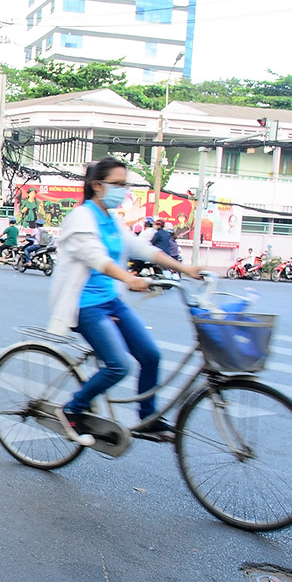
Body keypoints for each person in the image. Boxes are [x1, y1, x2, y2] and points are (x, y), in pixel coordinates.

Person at [48, 157, 202, 441]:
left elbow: (142, 248)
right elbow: (96, 257)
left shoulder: (111, 219)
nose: (123, 190)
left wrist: (184, 269)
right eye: (118, 184)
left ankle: (147, 418)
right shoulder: (81, 217)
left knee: (150, 355)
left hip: (111, 301)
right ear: (97, 186)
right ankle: (72, 409)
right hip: (84, 305)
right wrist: (129, 279)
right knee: (120, 365)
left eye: (125, 184)